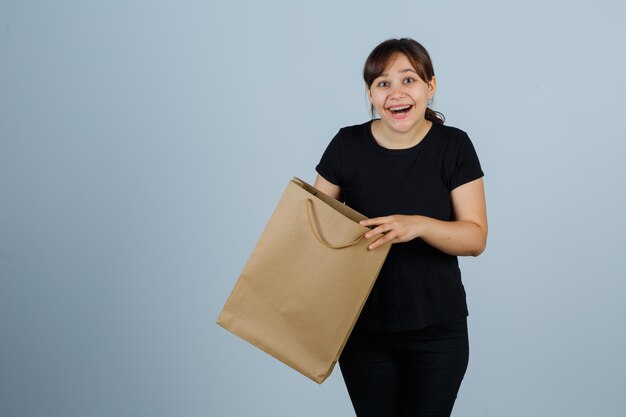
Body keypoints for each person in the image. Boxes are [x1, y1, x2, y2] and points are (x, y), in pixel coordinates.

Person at [314, 38, 488, 417]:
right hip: (361, 329)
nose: (396, 93)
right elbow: (312, 227)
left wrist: (420, 225)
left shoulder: (454, 146)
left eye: (408, 80)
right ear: (370, 94)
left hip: (437, 329)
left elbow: (475, 238)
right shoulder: (347, 145)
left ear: (430, 87)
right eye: (383, 84)